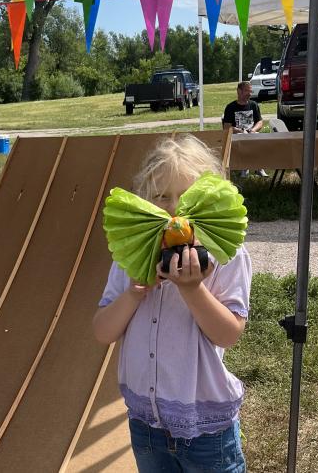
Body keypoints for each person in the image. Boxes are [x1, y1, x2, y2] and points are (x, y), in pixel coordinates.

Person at [93, 135, 251, 472]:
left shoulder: (226, 254)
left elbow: (228, 334)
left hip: (205, 429)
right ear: (144, 202)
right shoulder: (131, 256)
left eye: (187, 197)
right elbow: (102, 332)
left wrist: (193, 289)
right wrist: (134, 292)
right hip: (146, 424)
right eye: (162, 197)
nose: (174, 209)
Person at [223, 82, 268, 178]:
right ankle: (245, 167)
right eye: (247, 91)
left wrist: (253, 130)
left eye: (250, 91)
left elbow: (260, 122)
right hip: (237, 135)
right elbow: (227, 127)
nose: (250, 93)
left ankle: (259, 168)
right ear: (239, 91)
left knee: (259, 138)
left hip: (252, 133)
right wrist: (240, 130)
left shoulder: (254, 105)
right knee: (244, 139)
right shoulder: (230, 107)